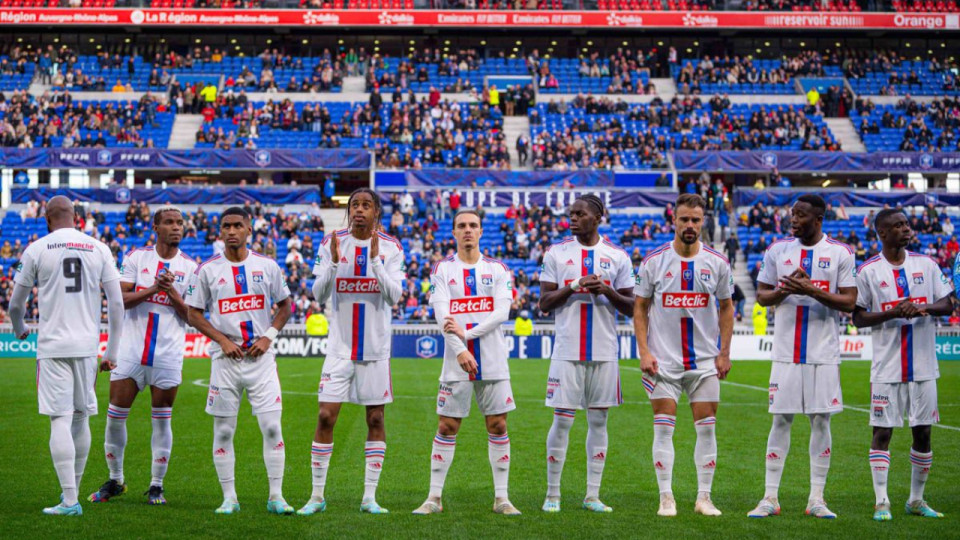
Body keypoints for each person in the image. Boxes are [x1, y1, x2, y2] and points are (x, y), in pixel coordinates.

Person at [9, 195, 124, 515]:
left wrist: (19, 329)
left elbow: (16, 305)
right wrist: (111, 350)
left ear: (46, 219)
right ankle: (71, 490)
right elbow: (116, 304)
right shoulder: (99, 247)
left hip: (52, 348)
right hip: (87, 347)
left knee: (59, 418)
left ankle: (70, 499)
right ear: (77, 217)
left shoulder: (36, 248)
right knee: (81, 416)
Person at [749, 194, 857, 519]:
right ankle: (769, 498)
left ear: (818, 218)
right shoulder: (777, 251)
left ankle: (817, 499)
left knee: (820, 420)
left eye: (800, 215)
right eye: (792, 214)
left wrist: (811, 290)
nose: (793, 220)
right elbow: (762, 296)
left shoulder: (840, 253)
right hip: (785, 354)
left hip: (823, 355)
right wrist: (786, 290)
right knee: (780, 420)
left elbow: (849, 302)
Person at [303, 188, 405, 515]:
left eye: (366, 205)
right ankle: (317, 496)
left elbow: (394, 297)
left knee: (375, 417)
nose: (359, 210)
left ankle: (369, 497)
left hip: (375, 349)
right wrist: (333, 264)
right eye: (354, 205)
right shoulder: (332, 243)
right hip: (339, 349)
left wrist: (375, 261)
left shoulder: (391, 248)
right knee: (325, 415)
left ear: (377, 212)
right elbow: (318, 293)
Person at [186, 207, 293, 515]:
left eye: (237, 226)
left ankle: (276, 496)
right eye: (226, 226)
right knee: (223, 432)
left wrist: (268, 335)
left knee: (272, 428)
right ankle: (229, 498)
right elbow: (193, 313)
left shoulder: (267, 266)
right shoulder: (206, 270)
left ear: (249, 230)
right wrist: (221, 339)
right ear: (220, 232)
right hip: (225, 361)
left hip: (261, 360)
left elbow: (285, 306)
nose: (231, 231)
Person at [412, 210, 519, 515]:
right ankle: (434, 497)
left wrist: (468, 332)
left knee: (498, 424)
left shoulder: (497, 268)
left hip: (494, 359)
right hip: (454, 360)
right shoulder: (443, 270)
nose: (468, 230)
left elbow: (502, 313)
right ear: (454, 233)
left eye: (473, 225)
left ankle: (502, 498)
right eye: (462, 226)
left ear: (481, 232)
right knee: (447, 426)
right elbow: (442, 316)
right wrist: (460, 349)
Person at [633, 193, 734, 517]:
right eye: (684, 219)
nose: (689, 225)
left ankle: (704, 498)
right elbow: (640, 308)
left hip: (704, 362)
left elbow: (726, 306)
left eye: (695, 220)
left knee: (707, 427)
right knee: (663, 428)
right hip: (663, 362)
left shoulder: (717, 262)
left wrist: (724, 353)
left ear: (703, 221)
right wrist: (644, 351)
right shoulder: (654, 261)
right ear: (673, 220)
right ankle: (667, 497)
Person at [89, 206, 197, 506]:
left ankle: (156, 485)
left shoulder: (191, 267)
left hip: (168, 354)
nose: (176, 227)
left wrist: (172, 293)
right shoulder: (138, 257)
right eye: (169, 222)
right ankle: (116, 479)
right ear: (155, 227)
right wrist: (152, 289)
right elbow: (119, 299)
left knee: (162, 421)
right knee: (114, 417)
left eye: (180, 222)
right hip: (131, 351)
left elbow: (192, 317)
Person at [852, 209, 955, 521]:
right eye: (898, 225)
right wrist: (894, 312)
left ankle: (916, 500)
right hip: (887, 368)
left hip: (924, 366)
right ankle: (881, 501)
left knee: (923, 432)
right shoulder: (868, 271)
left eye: (907, 224)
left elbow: (948, 303)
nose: (906, 229)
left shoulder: (926, 264)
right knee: (882, 431)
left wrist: (919, 307)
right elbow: (858, 318)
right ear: (882, 233)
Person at [538, 194, 635, 513]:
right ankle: (553, 494)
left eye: (580, 214)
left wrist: (607, 290)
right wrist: (575, 285)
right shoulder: (556, 252)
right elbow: (544, 303)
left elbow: (633, 307)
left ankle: (592, 495)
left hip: (605, 352)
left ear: (598, 217)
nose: (573, 218)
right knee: (562, 421)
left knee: (598, 421)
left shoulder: (617, 256)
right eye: (571, 214)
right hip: (566, 351)